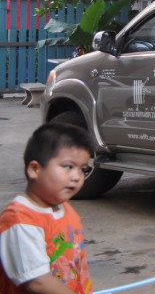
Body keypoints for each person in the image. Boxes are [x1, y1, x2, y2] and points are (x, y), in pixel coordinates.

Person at [0, 122, 94, 294]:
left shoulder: (64, 208)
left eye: (83, 169)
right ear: (35, 169)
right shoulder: (21, 220)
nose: (77, 176)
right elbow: (38, 282)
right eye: (68, 167)